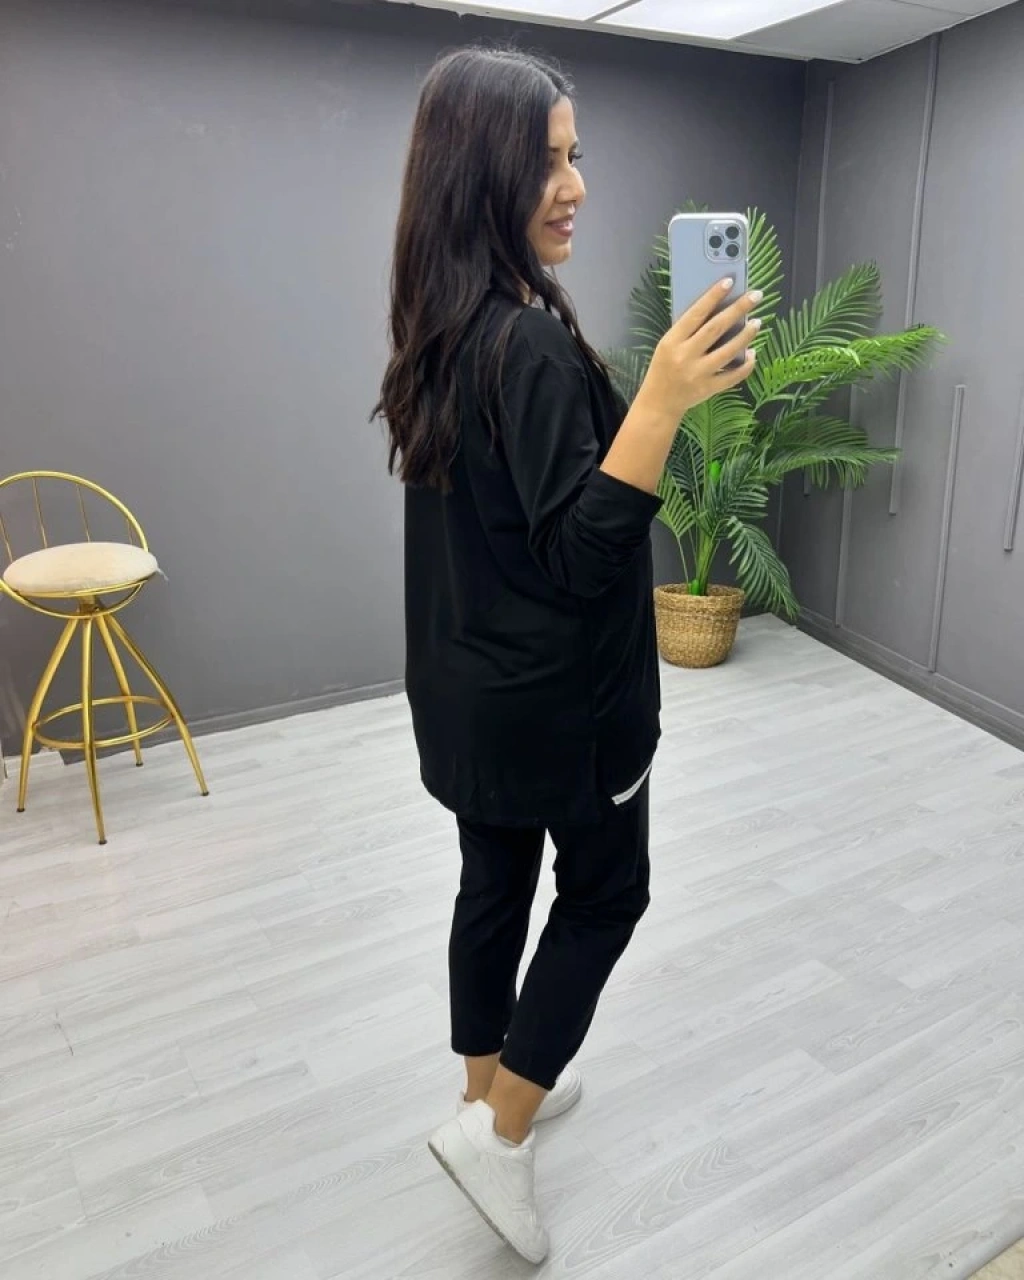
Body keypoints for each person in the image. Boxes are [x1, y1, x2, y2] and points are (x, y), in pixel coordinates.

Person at [374, 45, 760, 1265]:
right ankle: (500, 1130)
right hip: (563, 710)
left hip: (469, 696)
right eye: (543, 160)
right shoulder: (528, 345)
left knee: (492, 883)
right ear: (477, 174)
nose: (574, 184)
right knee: (604, 894)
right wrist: (660, 402)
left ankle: (485, 1089)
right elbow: (583, 556)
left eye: (575, 154)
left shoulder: (442, 329)